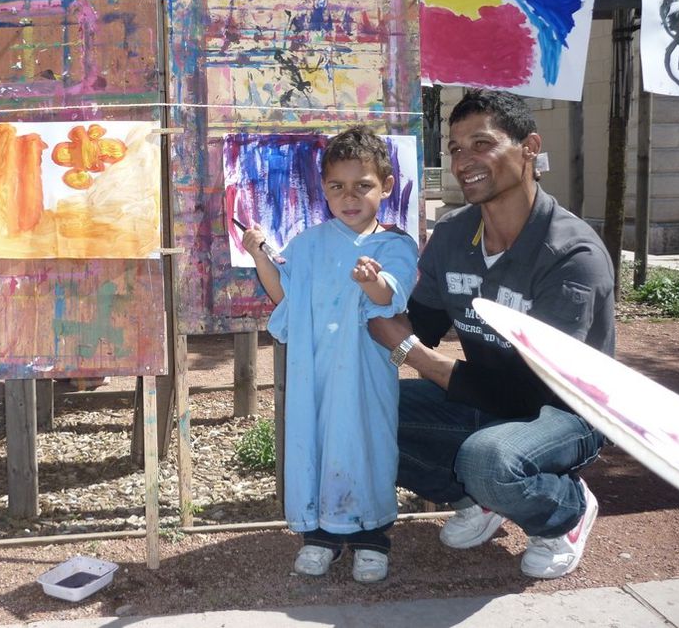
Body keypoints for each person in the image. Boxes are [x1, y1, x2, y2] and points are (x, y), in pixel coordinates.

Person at [369, 90, 614, 580]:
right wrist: (366, 295)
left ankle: (565, 511)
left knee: (489, 458)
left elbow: (534, 389)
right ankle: (479, 499)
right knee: (364, 409)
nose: (465, 161)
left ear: (529, 147)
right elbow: (425, 323)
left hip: (566, 411)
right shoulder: (455, 235)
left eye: (482, 144)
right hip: (486, 396)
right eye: (456, 149)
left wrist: (410, 351)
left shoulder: (571, 254)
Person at [241, 126, 418, 583]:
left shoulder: (395, 246)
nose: (350, 197)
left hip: (364, 374)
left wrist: (370, 281)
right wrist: (261, 255)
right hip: (312, 371)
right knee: (314, 444)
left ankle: (372, 538)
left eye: (363, 186)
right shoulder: (309, 243)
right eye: (338, 187)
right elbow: (286, 295)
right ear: (324, 189)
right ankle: (319, 538)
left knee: (367, 444)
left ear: (386, 186)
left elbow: (389, 298)